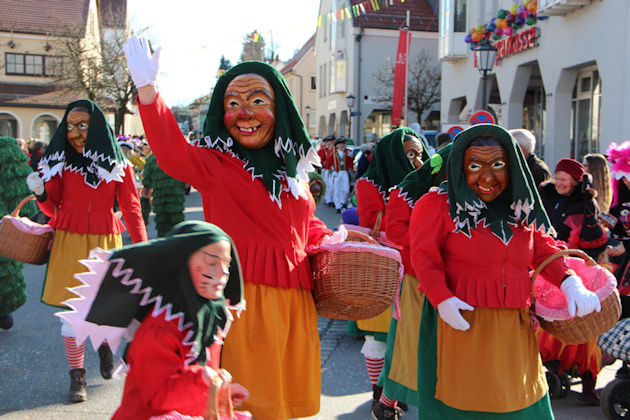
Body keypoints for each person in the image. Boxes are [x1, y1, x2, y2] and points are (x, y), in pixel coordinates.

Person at [123, 35, 332, 420]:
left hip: (294, 304)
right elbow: (172, 152)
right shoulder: (216, 163)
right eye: (232, 104)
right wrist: (149, 91)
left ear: (280, 108)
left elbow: (302, 222)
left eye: (257, 102)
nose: (244, 113)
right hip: (245, 300)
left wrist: (326, 236)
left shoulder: (292, 169)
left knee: (282, 404)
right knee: (246, 403)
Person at [409, 124, 600, 419]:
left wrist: (569, 280)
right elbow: (424, 258)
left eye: (498, 165)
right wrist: (441, 298)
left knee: (519, 400)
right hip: (460, 320)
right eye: (475, 166)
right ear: (460, 166)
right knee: (466, 403)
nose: (487, 178)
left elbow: (543, 249)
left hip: (514, 324)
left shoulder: (520, 208)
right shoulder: (437, 205)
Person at [56, 221, 250, 419]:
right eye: (212, 262)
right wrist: (201, 379)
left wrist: (217, 394)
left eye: (227, 263)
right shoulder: (160, 328)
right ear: (182, 264)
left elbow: (198, 379)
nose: (223, 272)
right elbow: (159, 395)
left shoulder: (211, 318)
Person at [25, 99, 147, 403]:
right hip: (68, 241)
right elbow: (51, 209)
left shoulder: (120, 165)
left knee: (104, 309)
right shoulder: (60, 162)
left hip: (105, 242)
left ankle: (105, 346)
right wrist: (40, 192)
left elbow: (132, 207)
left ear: (97, 130)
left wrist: (144, 247)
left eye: (83, 126)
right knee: (70, 313)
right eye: (70, 126)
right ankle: (77, 377)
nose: (77, 133)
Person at [353, 127, 429, 419]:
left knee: (405, 336)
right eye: (409, 154)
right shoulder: (370, 183)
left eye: (419, 153)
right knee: (378, 335)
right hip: (384, 264)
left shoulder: (424, 181)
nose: (416, 160)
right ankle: (378, 391)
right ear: (393, 154)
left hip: (411, 264)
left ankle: (395, 390)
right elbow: (374, 222)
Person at [374, 143, 452, 420]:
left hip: (454, 281)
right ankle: (386, 402)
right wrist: (431, 244)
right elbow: (395, 230)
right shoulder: (408, 190)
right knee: (410, 345)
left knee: (445, 350)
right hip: (416, 279)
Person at [0, 136, 39, 330]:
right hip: (5, 223)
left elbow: (19, 190)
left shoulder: (7, 151)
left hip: (3, 223)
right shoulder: (9, 151)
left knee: (5, 265)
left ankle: (4, 309)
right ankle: (4, 310)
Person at [142, 152, 186, 237]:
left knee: (163, 217)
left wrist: (146, 187)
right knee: (175, 216)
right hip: (174, 192)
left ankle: (165, 238)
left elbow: (147, 176)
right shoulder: (178, 155)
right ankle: (177, 237)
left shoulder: (152, 158)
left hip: (162, 194)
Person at [328, 136, 354, 212]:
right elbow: (328, 165)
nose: (343, 145)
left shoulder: (346, 153)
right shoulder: (333, 153)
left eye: (343, 144)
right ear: (337, 145)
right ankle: (338, 206)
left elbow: (350, 163)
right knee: (337, 189)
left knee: (346, 189)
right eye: (342, 144)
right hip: (337, 173)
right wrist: (332, 172)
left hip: (345, 172)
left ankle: (343, 202)